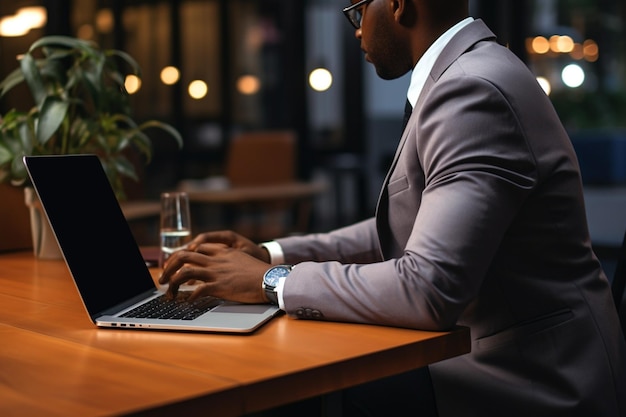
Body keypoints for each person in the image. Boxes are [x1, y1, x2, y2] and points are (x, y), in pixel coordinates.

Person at [160, 0, 626, 416]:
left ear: (400, 5)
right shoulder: (463, 75)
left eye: (358, 10)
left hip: (532, 381)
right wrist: (271, 254)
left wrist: (267, 284)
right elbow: (397, 232)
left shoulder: (472, 91)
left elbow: (428, 288)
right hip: (498, 356)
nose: (357, 30)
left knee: (287, 389)